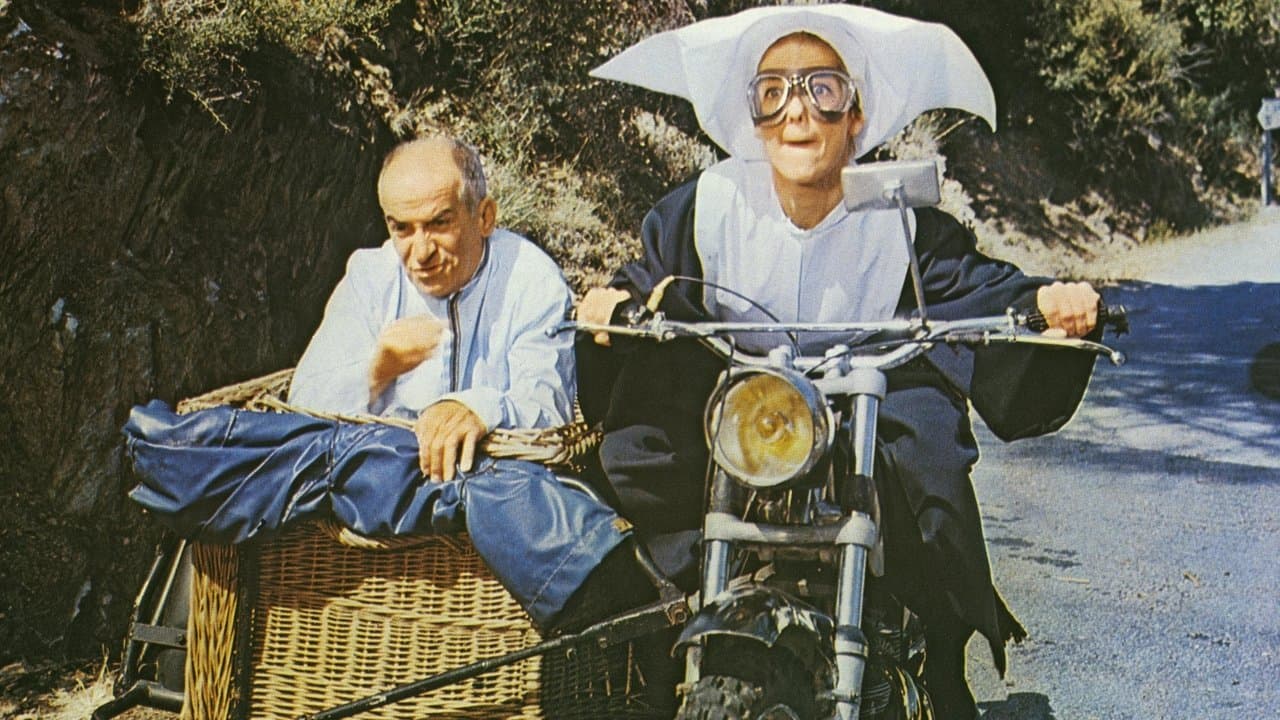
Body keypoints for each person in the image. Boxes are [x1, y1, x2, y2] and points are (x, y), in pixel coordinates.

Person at [578, 7, 1103, 718]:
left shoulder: (897, 219)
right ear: (753, 118)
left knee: (932, 463)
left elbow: (977, 288)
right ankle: (664, 637)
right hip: (740, 408)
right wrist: (612, 308)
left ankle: (930, 661)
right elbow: (648, 282)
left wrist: (1048, 303)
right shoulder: (708, 206)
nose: (797, 111)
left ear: (856, 114)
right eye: (772, 92)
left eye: (821, 89)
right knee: (638, 460)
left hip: (866, 402)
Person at [289, 135, 576, 482]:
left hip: (495, 485)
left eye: (439, 223)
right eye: (402, 229)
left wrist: (479, 409)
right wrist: (376, 372)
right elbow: (300, 404)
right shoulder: (371, 277)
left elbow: (550, 410)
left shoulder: (531, 279)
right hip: (379, 484)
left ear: (484, 217)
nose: (422, 252)